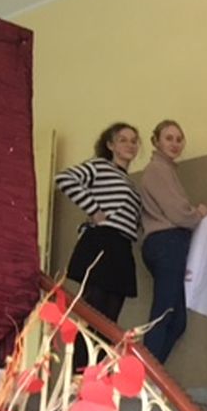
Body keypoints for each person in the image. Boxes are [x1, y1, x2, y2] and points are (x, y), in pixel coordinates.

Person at [56, 122, 143, 326]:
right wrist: (94, 210)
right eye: (123, 140)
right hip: (103, 242)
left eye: (134, 141)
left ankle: (100, 350)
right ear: (110, 145)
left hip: (122, 247)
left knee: (110, 318)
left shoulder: (131, 184)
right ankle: (82, 349)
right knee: (94, 312)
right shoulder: (100, 166)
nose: (130, 145)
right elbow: (65, 178)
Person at [138, 119, 207, 363]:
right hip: (166, 243)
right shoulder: (157, 170)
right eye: (168, 138)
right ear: (156, 141)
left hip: (167, 244)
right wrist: (198, 214)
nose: (175, 143)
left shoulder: (165, 170)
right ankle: (145, 375)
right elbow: (179, 213)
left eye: (179, 139)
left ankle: (151, 373)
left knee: (177, 320)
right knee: (165, 314)